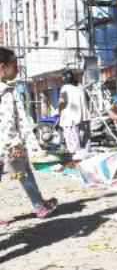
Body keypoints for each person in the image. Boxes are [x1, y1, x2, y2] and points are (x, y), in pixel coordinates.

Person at [0, 47, 58, 222]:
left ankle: (39, 204)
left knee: (23, 173)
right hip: (10, 145)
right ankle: (39, 206)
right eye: (14, 65)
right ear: (2, 67)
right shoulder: (7, 92)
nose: (17, 69)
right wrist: (27, 146)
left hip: (7, 145)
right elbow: (16, 122)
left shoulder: (8, 90)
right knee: (24, 174)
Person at [58, 70, 90, 158]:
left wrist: (59, 112)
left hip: (70, 118)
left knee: (72, 140)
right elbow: (88, 99)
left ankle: (76, 157)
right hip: (84, 117)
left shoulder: (65, 88)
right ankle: (84, 155)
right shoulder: (80, 87)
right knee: (84, 139)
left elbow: (62, 102)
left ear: (65, 78)